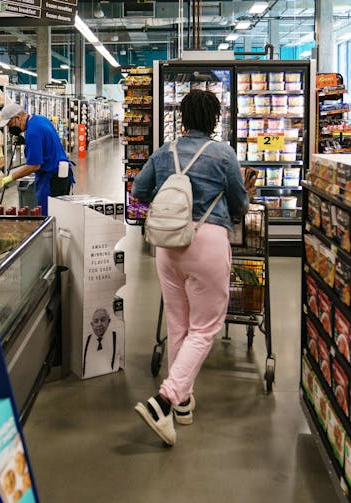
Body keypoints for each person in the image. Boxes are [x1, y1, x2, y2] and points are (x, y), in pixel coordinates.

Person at [130, 89, 256, 446]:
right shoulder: (223, 154)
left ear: (181, 118)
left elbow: (139, 192)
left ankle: (183, 403)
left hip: (168, 247)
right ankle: (165, 400)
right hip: (207, 243)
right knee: (204, 328)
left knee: (178, 324)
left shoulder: (163, 152)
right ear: (215, 119)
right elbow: (239, 204)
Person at [0, 103, 74, 215]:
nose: (10, 128)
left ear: (18, 118)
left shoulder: (33, 132)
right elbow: (46, 143)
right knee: (59, 212)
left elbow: (34, 165)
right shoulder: (39, 119)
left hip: (52, 177)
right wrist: (25, 141)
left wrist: (11, 177)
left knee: (48, 214)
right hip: (62, 172)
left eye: (10, 124)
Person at [82, 307, 120, 378]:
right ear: (92, 325)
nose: (99, 324)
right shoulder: (85, 342)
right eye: (96, 321)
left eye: (103, 320)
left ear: (109, 321)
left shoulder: (117, 338)